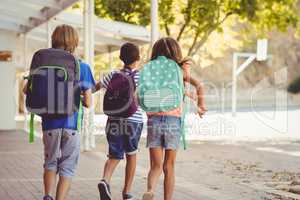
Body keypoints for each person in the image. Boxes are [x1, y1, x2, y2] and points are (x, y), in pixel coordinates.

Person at [24, 24, 95, 200]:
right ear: (75, 42)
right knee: (67, 166)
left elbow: (26, 90)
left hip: (49, 124)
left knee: (50, 163)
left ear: (54, 39)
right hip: (71, 125)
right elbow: (87, 102)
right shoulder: (81, 66)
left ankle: (47, 196)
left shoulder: (43, 62)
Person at [142, 37, 206, 200]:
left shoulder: (149, 68)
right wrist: (201, 105)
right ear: (176, 52)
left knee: (155, 166)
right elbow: (199, 85)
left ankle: (150, 190)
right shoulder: (179, 69)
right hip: (173, 121)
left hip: (154, 121)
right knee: (168, 166)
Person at [94, 43, 144, 200]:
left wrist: (82, 95)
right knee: (131, 155)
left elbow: (95, 87)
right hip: (132, 120)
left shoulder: (113, 75)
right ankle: (127, 192)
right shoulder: (140, 76)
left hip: (114, 120)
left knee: (114, 154)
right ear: (138, 58)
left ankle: (105, 180)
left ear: (121, 58)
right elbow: (144, 99)